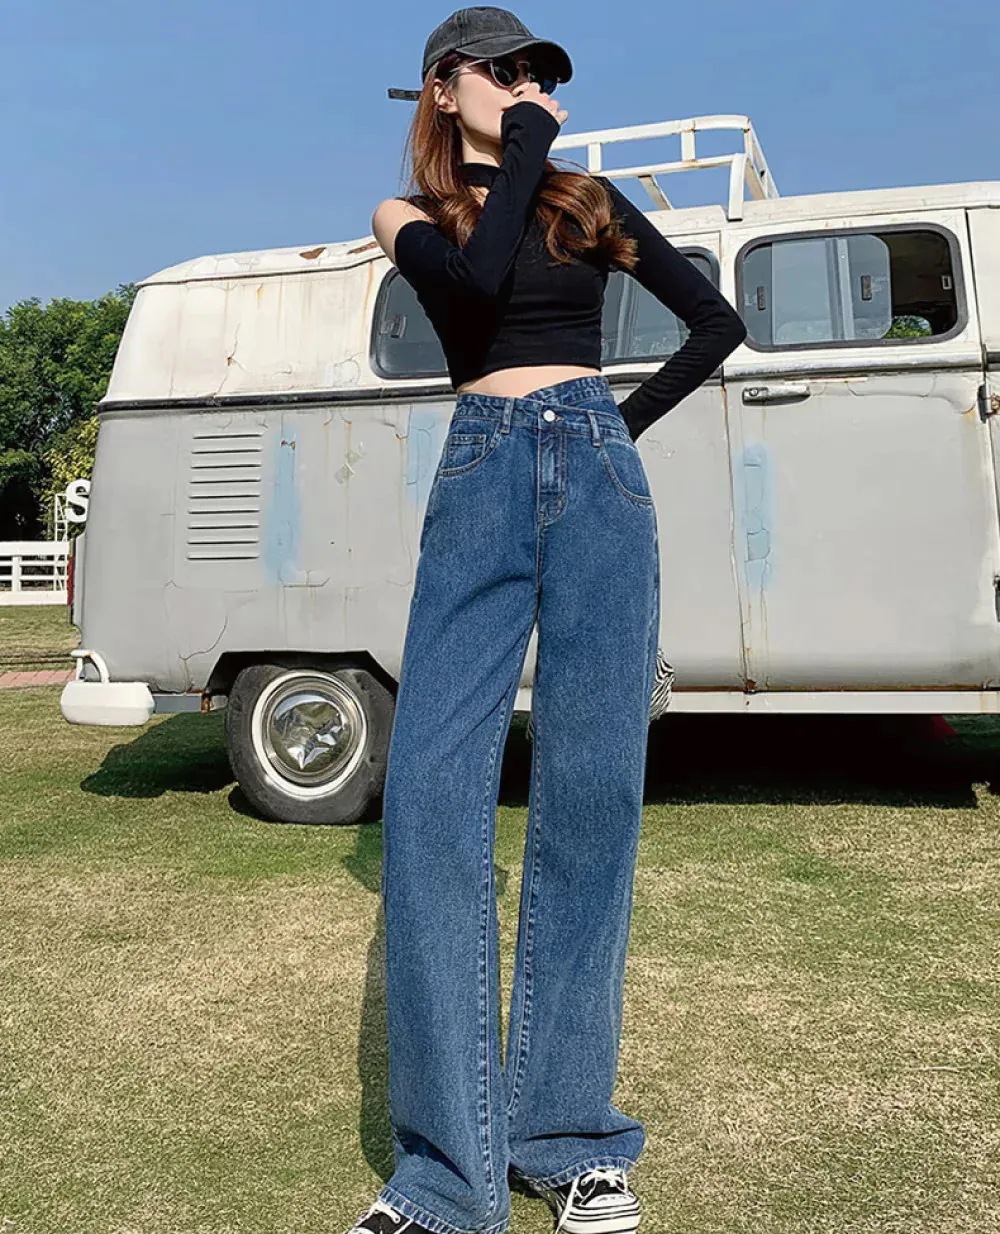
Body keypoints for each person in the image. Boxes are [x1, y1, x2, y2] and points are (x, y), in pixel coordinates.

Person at [354, 9, 748, 1234]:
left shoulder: (590, 201)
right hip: (479, 471)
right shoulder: (406, 216)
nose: (527, 86)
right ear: (442, 88)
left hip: (595, 473)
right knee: (429, 799)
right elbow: (474, 292)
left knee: (591, 794)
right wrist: (524, 143)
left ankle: (569, 1139)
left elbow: (716, 321)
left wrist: (614, 428)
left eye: (538, 75)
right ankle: (442, 1177)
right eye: (505, 70)